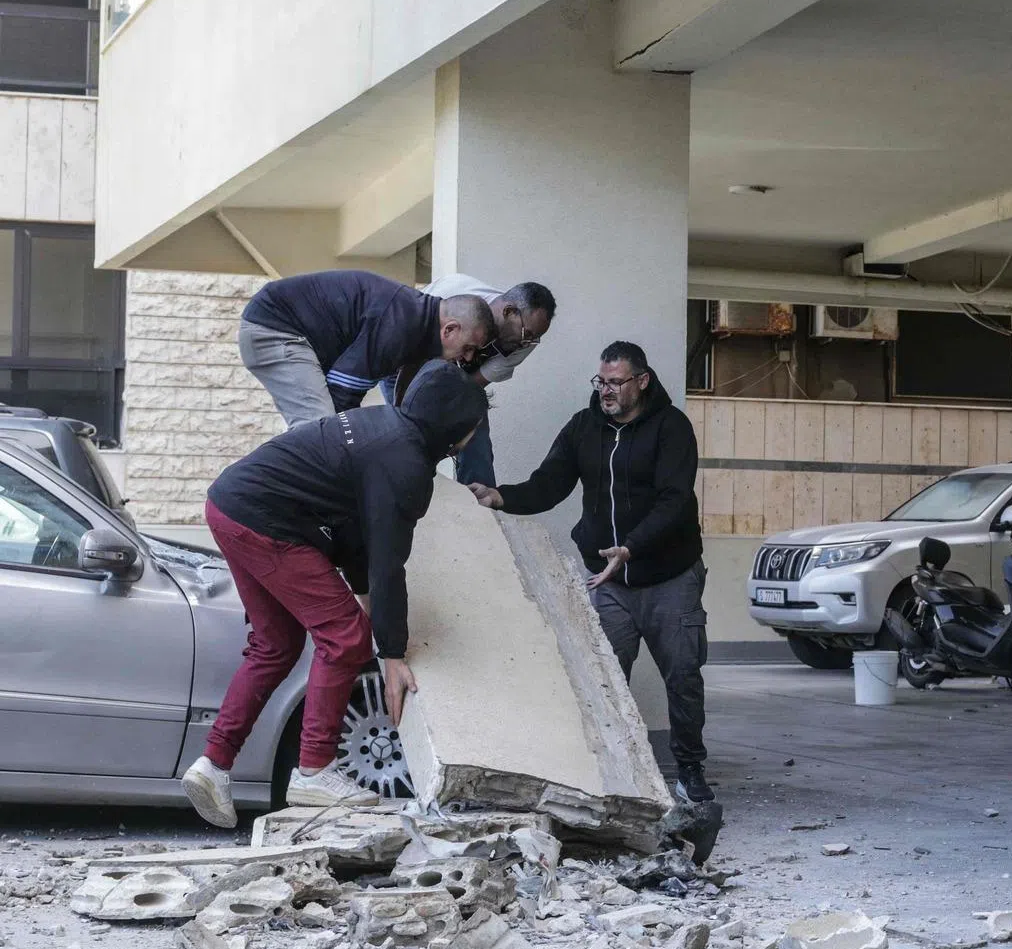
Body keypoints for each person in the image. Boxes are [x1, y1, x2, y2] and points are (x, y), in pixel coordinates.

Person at [181, 359, 489, 828]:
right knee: (345, 638)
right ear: (456, 430)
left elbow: (355, 535)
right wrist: (391, 653)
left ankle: (213, 765)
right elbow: (388, 563)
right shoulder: (406, 466)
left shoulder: (381, 427)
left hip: (230, 504)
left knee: (276, 645)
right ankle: (315, 770)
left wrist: (370, 608)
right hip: (267, 521)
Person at [468, 340, 713, 803]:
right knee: (605, 678)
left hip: (669, 578)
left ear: (642, 381)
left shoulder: (671, 428)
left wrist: (632, 547)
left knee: (683, 677)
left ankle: (689, 772)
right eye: (601, 381)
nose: (606, 390)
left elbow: (674, 500)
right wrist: (502, 497)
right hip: (609, 582)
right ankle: (613, 774)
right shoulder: (585, 427)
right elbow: (550, 482)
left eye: (616, 382)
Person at [238, 270, 493, 429]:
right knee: (322, 429)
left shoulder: (419, 323)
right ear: (449, 330)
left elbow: (404, 387)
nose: (469, 358)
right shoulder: (400, 327)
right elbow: (342, 396)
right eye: (469, 347)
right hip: (276, 329)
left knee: (324, 431)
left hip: (286, 329)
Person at [380, 276, 557, 487]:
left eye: (534, 338)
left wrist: (458, 429)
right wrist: (403, 415)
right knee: (411, 425)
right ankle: (407, 483)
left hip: (456, 375)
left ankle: (480, 501)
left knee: (474, 427)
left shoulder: (526, 341)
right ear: (508, 312)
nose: (527, 343)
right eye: (526, 334)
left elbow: (469, 388)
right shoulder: (447, 298)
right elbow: (409, 362)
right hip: (404, 361)